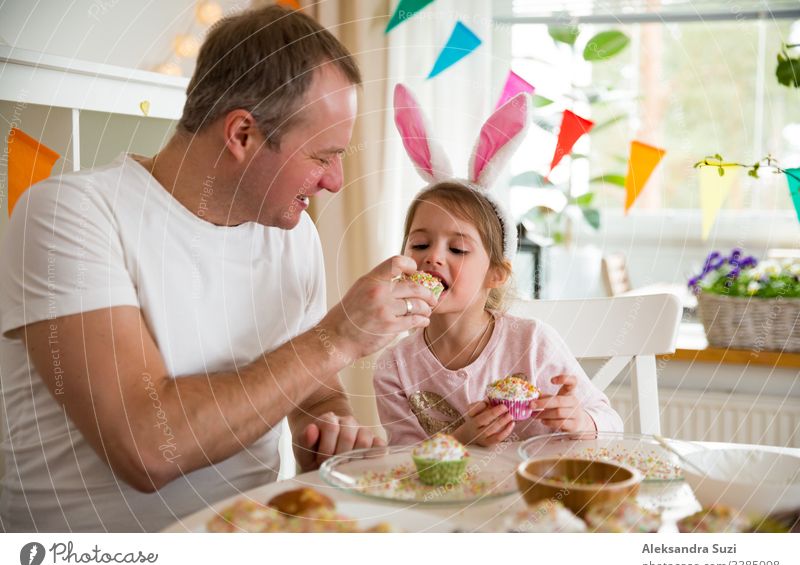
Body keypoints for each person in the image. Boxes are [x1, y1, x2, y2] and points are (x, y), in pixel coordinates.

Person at [0, 6, 436, 532]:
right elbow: (148, 447)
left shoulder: (294, 236)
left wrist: (328, 427)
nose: (335, 182)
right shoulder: (71, 214)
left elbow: (312, 389)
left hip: (249, 537)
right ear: (243, 134)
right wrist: (339, 338)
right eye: (323, 156)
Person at [373, 84, 623, 446]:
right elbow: (407, 465)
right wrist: (462, 440)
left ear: (496, 274)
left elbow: (611, 422)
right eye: (420, 244)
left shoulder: (532, 343)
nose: (433, 257)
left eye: (458, 249)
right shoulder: (394, 367)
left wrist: (580, 419)